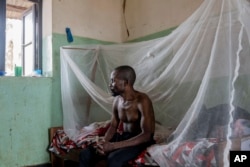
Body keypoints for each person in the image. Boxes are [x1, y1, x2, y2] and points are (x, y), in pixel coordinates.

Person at [79, 65, 155, 167]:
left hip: (139, 141)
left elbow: (147, 135)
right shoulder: (117, 101)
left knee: (114, 159)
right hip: (123, 137)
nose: (110, 84)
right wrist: (104, 144)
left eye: (113, 81)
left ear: (126, 82)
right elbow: (113, 126)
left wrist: (114, 146)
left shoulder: (142, 100)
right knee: (85, 154)